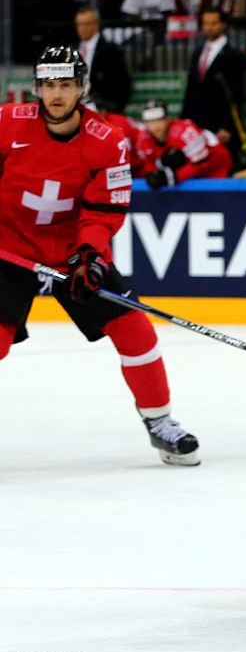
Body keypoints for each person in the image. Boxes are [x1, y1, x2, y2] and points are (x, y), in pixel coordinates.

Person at [0, 47, 199, 466]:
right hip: (9, 249)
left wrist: (90, 257)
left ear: (81, 88)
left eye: (66, 84)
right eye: (49, 85)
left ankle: (160, 421)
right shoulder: (7, 123)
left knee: (135, 331)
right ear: (37, 87)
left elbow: (103, 210)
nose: (57, 94)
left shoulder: (107, 140)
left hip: (71, 252)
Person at [181, 7, 246, 160]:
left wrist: (227, 126)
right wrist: (186, 121)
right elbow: (191, 90)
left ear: (223, 25)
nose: (209, 27)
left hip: (220, 125)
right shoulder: (197, 53)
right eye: (206, 23)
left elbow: (236, 94)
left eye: (214, 23)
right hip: (198, 125)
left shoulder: (234, 56)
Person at [136, 99, 233, 188]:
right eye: (150, 122)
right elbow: (149, 167)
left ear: (167, 119)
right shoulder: (143, 139)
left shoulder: (186, 131)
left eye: (159, 120)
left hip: (216, 170)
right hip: (189, 180)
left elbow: (201, 163)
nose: (155, 125)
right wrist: (155, 174)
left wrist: (172, 177)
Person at [74, 7, 132, 114]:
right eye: (79, 24)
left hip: (102, 111)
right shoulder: (73, 50)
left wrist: (110, 108)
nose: (82, 28)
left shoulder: (110, 50)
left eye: (86, 24)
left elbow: (123, 84)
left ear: (96, 24)